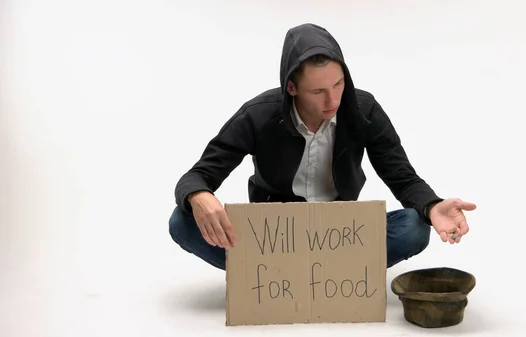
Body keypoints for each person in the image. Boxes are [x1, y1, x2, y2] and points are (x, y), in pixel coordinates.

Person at [168, 23, 476, 270]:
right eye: (317, 91)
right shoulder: (258, 115)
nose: (332, 101)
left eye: (338, 85)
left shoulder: (363, 111)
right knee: (182, 220)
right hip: (275, 237)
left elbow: (402, 177)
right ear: (291, 87)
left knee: (414, 226)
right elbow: (196, 176)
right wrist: (199, 195)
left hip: (340, 235)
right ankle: (283, 274)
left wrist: (433, 206)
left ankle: (323, 273)